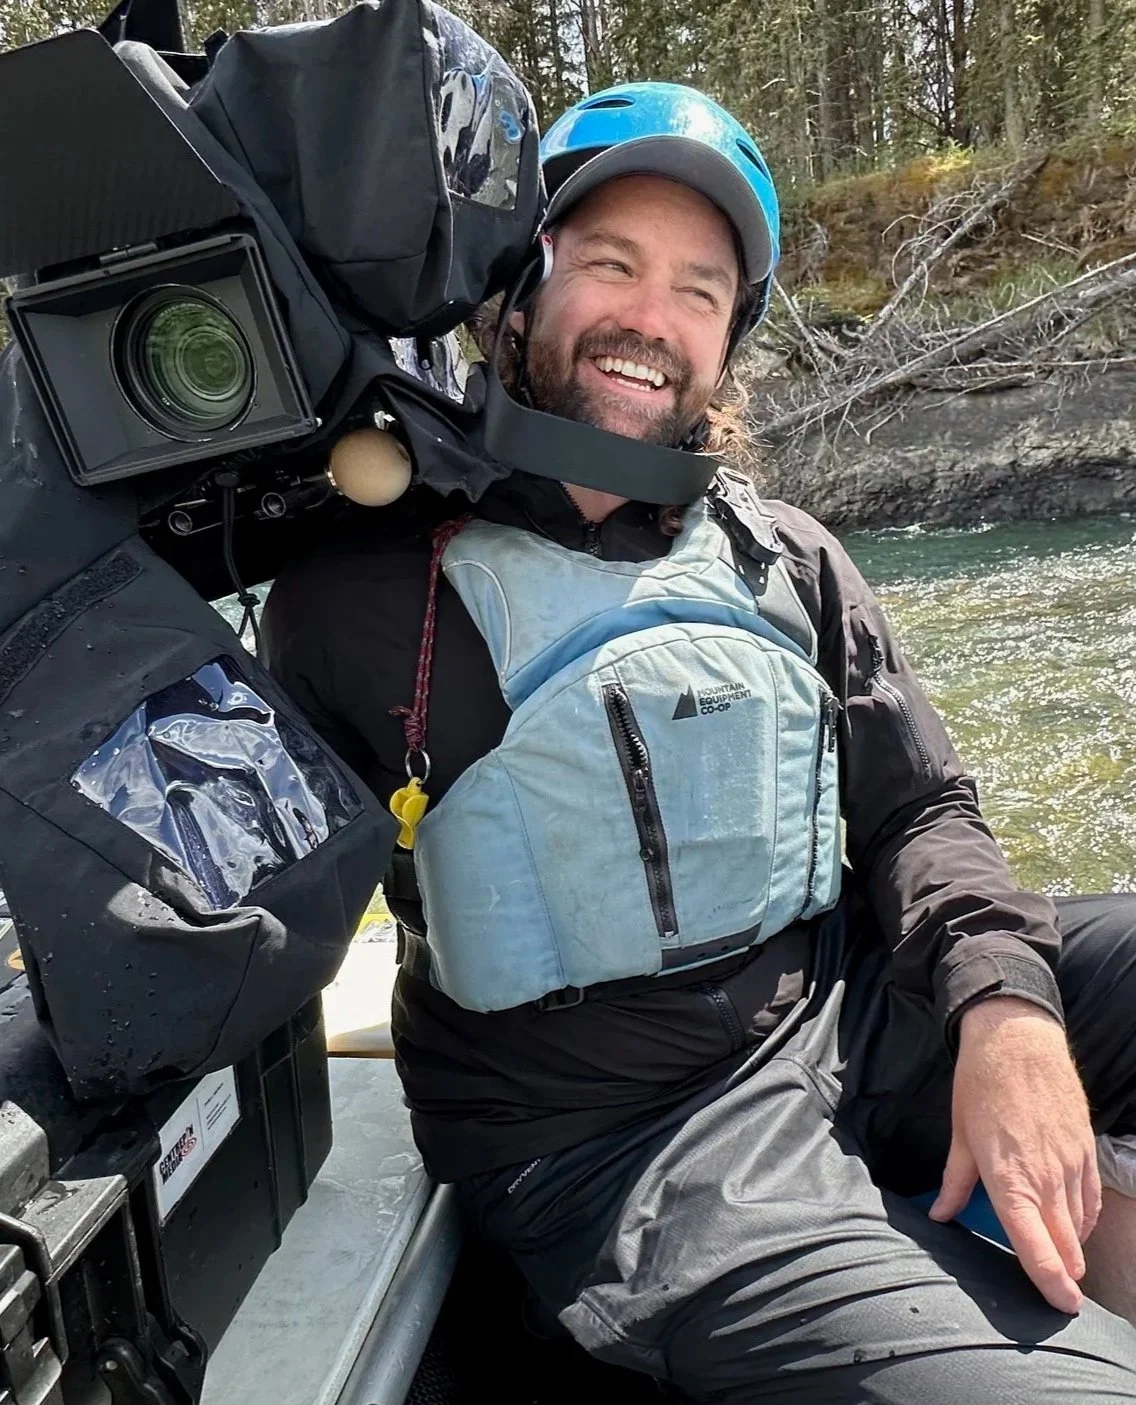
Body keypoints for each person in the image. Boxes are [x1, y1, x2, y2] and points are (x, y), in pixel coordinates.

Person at [262, 82, 1136, 1401]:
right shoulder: (362, 596)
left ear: (729, 338)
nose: (649, 319)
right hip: (622, 1143)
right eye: (610, 264)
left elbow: (919, 813)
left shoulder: (789, 556)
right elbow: (252, 926)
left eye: (698, 290)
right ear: (517, 292)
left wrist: (1005, 1013)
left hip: (848, 1014)